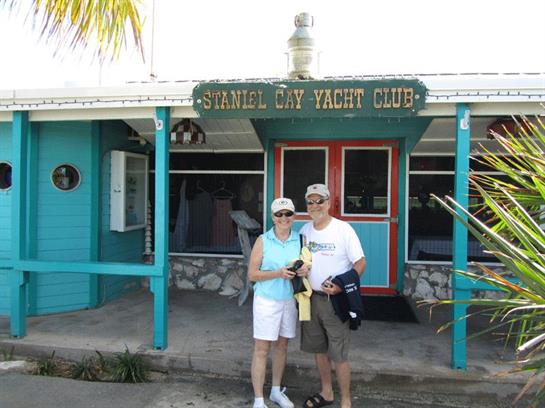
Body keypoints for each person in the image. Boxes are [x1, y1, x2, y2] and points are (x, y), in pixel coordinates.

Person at [299, 184, 366, 408]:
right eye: (311, 201)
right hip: (311, 299)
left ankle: (345, 401)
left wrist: (340, 286)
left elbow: (360, 263)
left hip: (335, 301)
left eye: (320, 201)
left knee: (339, 354)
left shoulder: (343, 229)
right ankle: (327, 393)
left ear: (328, 203)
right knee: (319, 350)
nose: (315, 205)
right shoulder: (304, 231)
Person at [248, 197, 309, 408]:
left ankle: (275, 391)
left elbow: (307, 267)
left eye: (288, 214)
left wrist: (303, 270)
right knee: (262, 348)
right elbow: (252, 274)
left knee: (282, 346)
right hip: (266, 300)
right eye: (279, 214)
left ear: (294, 216)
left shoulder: (301, 240)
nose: (284, 218)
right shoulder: (263, 240)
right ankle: (258, 399)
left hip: (289, 300)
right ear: (273, 217)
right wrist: (277, 273)